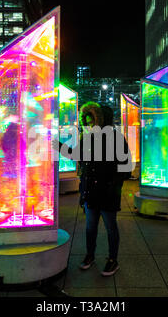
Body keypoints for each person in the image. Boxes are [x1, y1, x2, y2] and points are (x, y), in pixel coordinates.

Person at [54, 102, 131, 276]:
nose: (88, 126)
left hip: (108, 192)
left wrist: (113, 185)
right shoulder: (88, 138)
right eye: (87, 122)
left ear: (100, 120)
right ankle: (90, 255)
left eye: (91, 122)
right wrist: (58, 146)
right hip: (91, 192)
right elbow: (76, 154)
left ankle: (113, 260)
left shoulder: (115, 137)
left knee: (111, 227)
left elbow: (126, 167)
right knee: (90, 227)